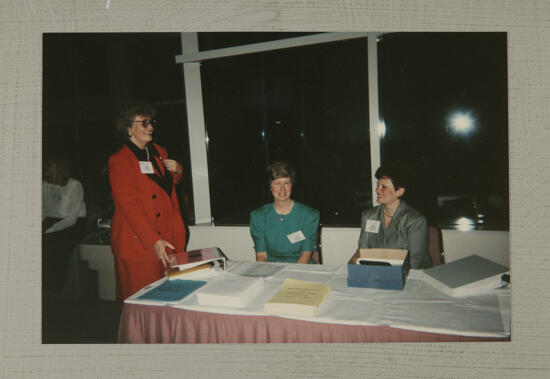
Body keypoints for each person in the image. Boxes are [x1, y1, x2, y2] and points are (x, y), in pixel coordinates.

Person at [108, 102, 187, 308]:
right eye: (144, 123)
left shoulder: (159, 151)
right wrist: (153, 239)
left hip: (167, 234)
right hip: (140, 240)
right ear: (128, 128)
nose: (150, 127)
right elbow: (129, 206)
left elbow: (164, 185)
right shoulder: (119, 160)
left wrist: (178, 170)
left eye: (151, 122)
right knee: (142, 302)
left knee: (166, 297)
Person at [357, 163, 432, 269]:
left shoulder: (415, 220)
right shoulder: (369, 215)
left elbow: (415, 262)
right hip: (378, 272)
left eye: (383, 187)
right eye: (378, 185)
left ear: (399, 191)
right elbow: (363, 250)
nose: (377, 190)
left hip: (410, 275)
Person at [250, 162, 319, 263]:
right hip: (272, 268)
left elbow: (306, 254)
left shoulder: (309, 215)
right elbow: (261, 255)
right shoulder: (258, 216)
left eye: (286, 183)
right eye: (277, 183)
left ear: (291, 185)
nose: (282, 189)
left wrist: (291, 277)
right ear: (270, 186)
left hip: (301, 266)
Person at [42, 156, 87, 292]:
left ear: (60, 167)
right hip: (50, 221)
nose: (46, 168)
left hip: (72, 224)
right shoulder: (45, 185)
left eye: (49, 165)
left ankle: (53, 287)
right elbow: (42, 211)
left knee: (54, 243)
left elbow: (71, 219)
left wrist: (49, 231)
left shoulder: (74, 185)